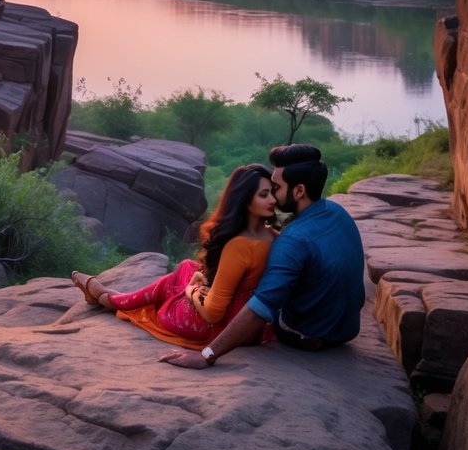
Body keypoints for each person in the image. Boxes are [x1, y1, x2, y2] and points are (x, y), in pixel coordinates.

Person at [158, 143, 365, 369]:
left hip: (305, 334)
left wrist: (206, 355)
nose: (273, 197)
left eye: (276, 187)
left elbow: (262, 308)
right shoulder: (337, 212)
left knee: (235, 293)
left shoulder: (293, 240)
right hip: (346, 329)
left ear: (299, 191)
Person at [71, 163, 278, 349]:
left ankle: (112, 298)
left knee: (172, 283)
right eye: (264, 194)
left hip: (216, 327)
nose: (273, 200)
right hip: (247, 322)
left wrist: (191, 289)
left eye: (272, 193)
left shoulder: (240, 245)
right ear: (244, 200)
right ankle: (111, 297)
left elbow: (212, 313)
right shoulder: (272, 235)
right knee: (187, 266)